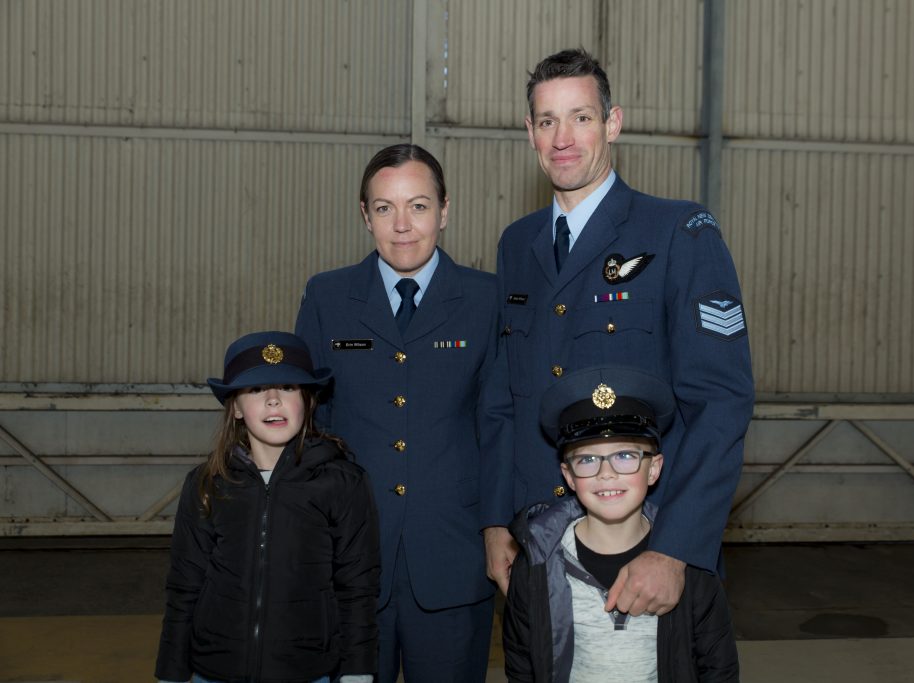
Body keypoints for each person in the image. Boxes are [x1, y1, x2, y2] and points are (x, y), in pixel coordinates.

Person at [480, 48, 755, 618]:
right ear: (529, 132)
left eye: (581, 117)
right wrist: (495, 520)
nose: (563, 138)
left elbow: (721, 402)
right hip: (540, 544)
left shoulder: (679, 231)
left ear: (613, 123)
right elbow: (506, 397)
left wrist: (676, 549)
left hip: (645, 545)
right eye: (547, 121)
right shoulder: (517, 244)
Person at [295, 144, 497, 682]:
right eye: (385, 208)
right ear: (365, 215)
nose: (403, 225)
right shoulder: (328, 297)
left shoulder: (485, 300)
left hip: (454, 557)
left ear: (445, 211)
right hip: (350, 559)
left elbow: (500, 425)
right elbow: (309, 426)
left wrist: (501, 530)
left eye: (419, 206)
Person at [154, 331, 380, 683]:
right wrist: (171, 670)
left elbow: (358, 588)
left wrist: (357, 670)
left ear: (307, 400)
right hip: (214, 671)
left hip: (308, 672)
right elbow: (185, 585)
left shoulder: (342, 482)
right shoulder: (207, 483)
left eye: (288, 388)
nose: (273, 400)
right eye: (257, 390)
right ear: (236, 408)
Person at [503, 366, 739, 682]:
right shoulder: (535, 562)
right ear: (568, 476)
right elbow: (521, 664)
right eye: (587, 459)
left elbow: (718, 666)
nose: (606, 473)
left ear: (654, 468)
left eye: (625, 456)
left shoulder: (686, 563)